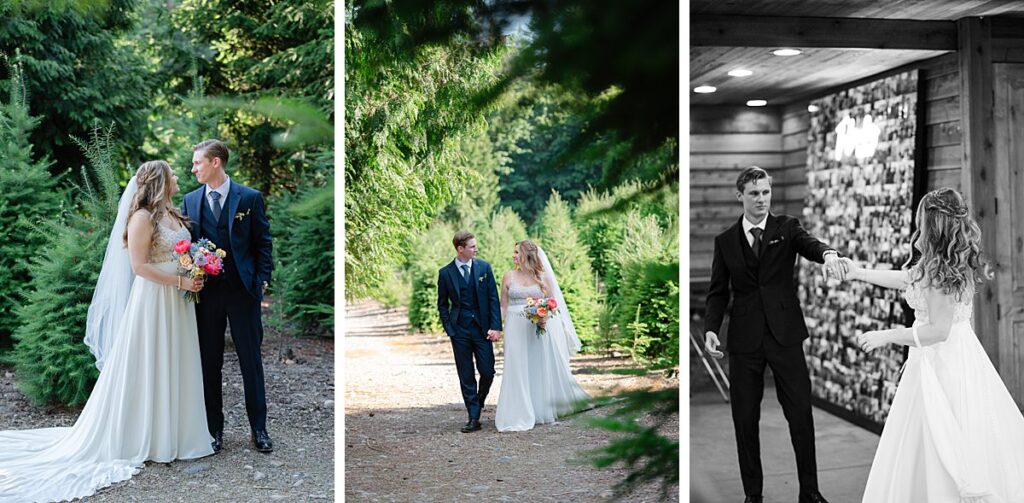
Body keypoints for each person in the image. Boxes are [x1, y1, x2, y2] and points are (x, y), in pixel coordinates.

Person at [0, 161, 213, 502]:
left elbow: (180, 252)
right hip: (154, 300)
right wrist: (179, 279)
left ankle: (178, 434)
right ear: (159, 181)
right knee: (150, 361)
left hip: (178, 302)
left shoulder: (172, 213)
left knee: (177, 360)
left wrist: (195, 269)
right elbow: (139, 266)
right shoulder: (141, 217)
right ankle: (147, 435)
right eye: (172, 174)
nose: (177, 177)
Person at [844, 187, 1024, 502]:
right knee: (926, 440)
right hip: (947, 358)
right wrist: (857, 272)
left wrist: (886, 335)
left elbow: (938, 331)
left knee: (944, 438)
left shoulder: (943, 273)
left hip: (946, 365)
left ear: (932, 224)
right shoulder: (941, 263)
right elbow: (907, 279)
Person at [704, 166, 845, 503]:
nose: (762, 199)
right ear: (740, 196)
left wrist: (828, 254)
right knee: (745, 420)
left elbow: (810, 244)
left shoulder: (787, 227)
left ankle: (809, 492)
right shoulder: (725, 241)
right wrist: (711, 328)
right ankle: (753, 495)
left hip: (786, 336)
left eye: (766, 192)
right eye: (754, 193)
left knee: (800, 415)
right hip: (744, 341)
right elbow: (717, 292)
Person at [181, 139, 274, 453]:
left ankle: (258, 430)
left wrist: (261, 281)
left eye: (198, 163)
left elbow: (263, 242)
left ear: (215, 162)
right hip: (205, 295)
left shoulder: (248, 198)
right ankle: (213, 431)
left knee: (251, 362)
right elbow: (185, 245)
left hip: (242, 293)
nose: (193, 168)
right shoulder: (191, 201)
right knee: (209, 363)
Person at [495, 240, 589, 432]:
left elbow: (551, 305)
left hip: (537, 327)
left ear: (526, 256)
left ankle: (539, 409)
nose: (513, 256)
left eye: (516, 252)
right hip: (514, 327)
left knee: (537, 364)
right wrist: (496, 327)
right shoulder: (508, 276)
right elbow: (503, 306)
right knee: (517, 367)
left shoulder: (543, 278)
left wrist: (543, 317)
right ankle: (517, 412)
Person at [436, 231, 502, 433]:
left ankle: (479, 401)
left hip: (482, 329)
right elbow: (442, 305)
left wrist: (496, 326)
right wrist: (450, 329)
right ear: (460, 249)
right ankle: (473, 416)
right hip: (460, 330)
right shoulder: (445, 273)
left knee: (488, 371)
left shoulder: (484, 267)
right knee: (466, 374)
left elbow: (493, 298)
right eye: (472, 246)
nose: (476, 249)